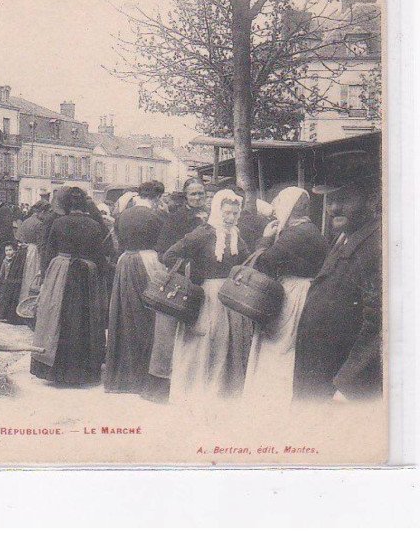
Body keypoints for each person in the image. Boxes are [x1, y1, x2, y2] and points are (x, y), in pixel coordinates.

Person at [294, 154, 382, 401]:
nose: (333, 208)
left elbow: (380, 326)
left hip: (340, 391)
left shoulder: (377, 246)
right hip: (320, 378)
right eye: (330, 199)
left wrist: (347, 385)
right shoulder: (345, 237)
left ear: (372, 199)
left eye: (343, 199)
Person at [162, 189, 251, 403]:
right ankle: (196, 390)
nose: (231, 218)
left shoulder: (237, 236)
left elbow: (246, 261)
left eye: (235, 214)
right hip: (207, 296)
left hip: (230, 296)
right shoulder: (203, 233)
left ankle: (222, 391)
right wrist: (194, 274)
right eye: (227, 213)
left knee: (226, 342)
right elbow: (170, 255)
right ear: (218, 211)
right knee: (203, 341)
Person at [242, 187, 328, 406]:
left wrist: (264, 240)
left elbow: (263, 263)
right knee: (290, 346)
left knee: (279, 345)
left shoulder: (295, 235)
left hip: (292, 294)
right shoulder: (311, 230)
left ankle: (273, 399)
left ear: (288, 207)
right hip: (306, 292)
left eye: (279, 204)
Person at [31, 187, 108, 386]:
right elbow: (100, 258)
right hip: (86, 276)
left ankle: (56, 370)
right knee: (84, 320)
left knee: (58, 318)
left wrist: (48, 277)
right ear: (84, 204)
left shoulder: (58, 223)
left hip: (60, 273)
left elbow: (48, 253)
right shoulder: (94, 225)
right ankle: (82, 372)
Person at [145, 178, 209, 399]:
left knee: (195, 336)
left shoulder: (213, 217)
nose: (198, 198)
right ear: (185, 196)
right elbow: (163, 252)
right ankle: (161, 386)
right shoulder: (176, 218)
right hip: (179, 283)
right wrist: (184, 264)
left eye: (201, 193)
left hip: (202, 284)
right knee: (168, 333)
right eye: (193, 194)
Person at [104, 181, 166, 394]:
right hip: (147, 262)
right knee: (146, 316)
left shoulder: (122, 216)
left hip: (125, 262)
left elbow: (118, 244)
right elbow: (162, 245)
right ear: (156, 198)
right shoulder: (156, 217)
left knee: (123, 316)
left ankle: (122, 376)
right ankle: (143, 375)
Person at [14, 201, 48, 318]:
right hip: (34, 252)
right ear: (42, 212)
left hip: (23, 251)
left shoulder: (26, 221)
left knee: (24, 277)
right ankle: (29, 305)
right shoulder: (39, 224)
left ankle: (21, 302)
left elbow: (18, 236)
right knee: (32, 277)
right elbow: (41, 244)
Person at [0, 242, 27, 324]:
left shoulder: (16, 260)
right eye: (6, 250)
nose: (8, 252)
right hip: (5, 281)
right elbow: (2, 271)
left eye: (10, 250)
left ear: (14, 251)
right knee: (4, 296)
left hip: (11, 281)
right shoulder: (5, 261)